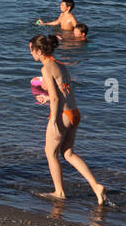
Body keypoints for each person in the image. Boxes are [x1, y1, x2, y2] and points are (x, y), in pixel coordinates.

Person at [28, 34, 107, 204]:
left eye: (31, 49)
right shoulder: (61, 65)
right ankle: (96, 186)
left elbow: (56, 98)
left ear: (39, 51)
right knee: (68, 153)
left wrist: (54, 120)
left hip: (62, 116)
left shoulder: (46, 68)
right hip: (74, 113)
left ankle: (59, 192)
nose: (30, 53)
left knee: (50, 153)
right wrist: (47, 98)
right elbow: (65, 93)